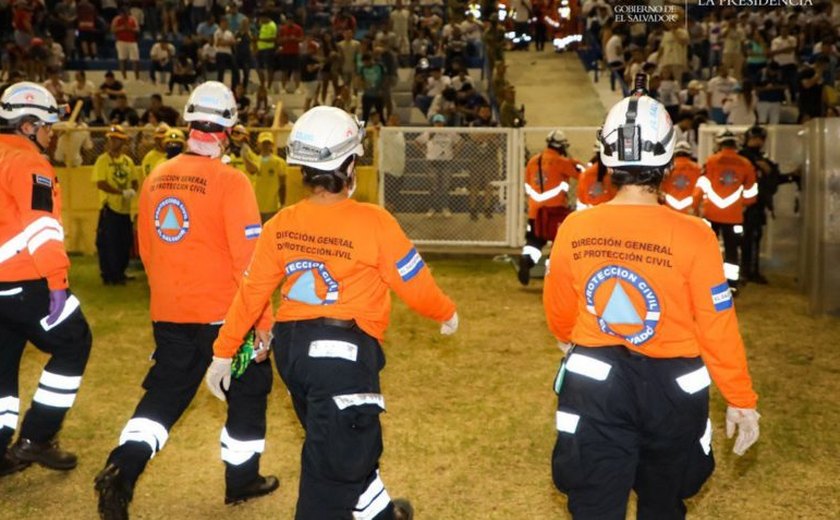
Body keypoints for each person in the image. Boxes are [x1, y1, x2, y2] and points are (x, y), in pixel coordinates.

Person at [207, 105, 458, 520]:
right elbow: (414, 285)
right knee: (334, 462)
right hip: (343, 359)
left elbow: (251, 293)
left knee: (338, 442)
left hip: (295, 355)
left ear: (302, 169)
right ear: (350, 163)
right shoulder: (374, 222)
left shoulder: (281, 224)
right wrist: (446, 313)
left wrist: (223, 351)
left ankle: (382, 515)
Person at [544, 92, 760, 520]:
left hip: (596, 384)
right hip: (674, 390)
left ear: (606, 160)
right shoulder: (696, 235)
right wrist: (740, 399)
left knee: (594, 502)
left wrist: (570, 341)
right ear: (667, 163)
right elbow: (717, 327)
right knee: (664, 501)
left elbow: (559, 309)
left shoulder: (576, 227)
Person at [94, 82, 279, 519]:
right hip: (227, 323)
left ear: (189, 124)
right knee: (249, 391)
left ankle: (123, 466)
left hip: (171, 317)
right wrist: (263, 324)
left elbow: (145, 248)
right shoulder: (233, 182)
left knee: (163, 399)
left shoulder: (155, 176)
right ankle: (242, 480)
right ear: (230, 129)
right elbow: (250, 264)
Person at [0, 81, 93, 477]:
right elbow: (41, 228)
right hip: (26, 281)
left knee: (2, 365)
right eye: (46, 126)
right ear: (27, 125)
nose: (50, 134)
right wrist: (57, 281)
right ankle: (37, 436)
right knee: (74, 343)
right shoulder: (29, 163)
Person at [696, 130, 757, 292]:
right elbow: (751, 194)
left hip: (711, 213)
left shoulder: (711, 161)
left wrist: (697, 205)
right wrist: (741, 203)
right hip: (734, 216)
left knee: (708, 249)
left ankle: (708, 282)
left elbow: (701, 185)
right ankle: (731, 285)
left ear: (720, 144)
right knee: (732, 250)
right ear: (735, 144)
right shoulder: (745, 163)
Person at [518, 130, 578, 286]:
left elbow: (527, 184)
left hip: (534, 211)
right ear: (561, 146)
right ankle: (552, 270)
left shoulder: (532, 161)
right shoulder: (560, 162)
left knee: (534, 241)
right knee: (560, 242)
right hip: (555, 211)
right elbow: (581, 174)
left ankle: (527, 260)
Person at [92, 125, 138, 286]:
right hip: (109, 208)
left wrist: (132, 190)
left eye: (116, 139)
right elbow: (101, 183)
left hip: (124, 209)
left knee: (124, 242)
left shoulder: (128, 161)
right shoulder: (102, 160)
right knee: (108, 243)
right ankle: (109, 275)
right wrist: (120, 192)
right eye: (111, 139)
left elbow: (134, 180)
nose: (112, 142)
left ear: (122, 141)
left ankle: (120, 271)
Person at [738, 126, 778, 285]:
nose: (758, 141)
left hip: (757, 204)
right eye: (755, 138)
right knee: (744, 239)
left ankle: (751, 271)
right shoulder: (743, 157)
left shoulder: (761, 158)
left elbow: (772, 178)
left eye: (761, 138)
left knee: (754, 238)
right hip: (742, 206)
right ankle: (745, 271)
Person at [416, 114, 460, 218]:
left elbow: (460, 141)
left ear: (444, 123)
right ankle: (432, 208)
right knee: (434, 186)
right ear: (434, 123)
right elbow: (417, 142)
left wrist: (454, 153)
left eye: (440, 122)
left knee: (445, 186)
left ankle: (445, 208)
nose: (438, 125)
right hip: (432, 162)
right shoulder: (429, 133)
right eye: (436, 123)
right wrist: (424, 152)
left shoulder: (449, 132)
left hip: (446, 162)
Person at [253, 131, 287, 222]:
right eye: (263, 143)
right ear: (258, 144)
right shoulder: (253, 161)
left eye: (268, 143)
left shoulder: (279, 162)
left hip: (272, 206)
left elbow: (282, 185)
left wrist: (282, 204)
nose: (265, 146)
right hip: (255, 206)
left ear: (272, 145)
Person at [662, 141, 701, 214]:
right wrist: (694, 206)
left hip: (669, 209)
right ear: (689, 154)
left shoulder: (666, 168)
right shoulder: (698, 169)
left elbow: (661, 189)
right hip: (689, 210)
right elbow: (699, 191)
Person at [575, 143, 616, 210]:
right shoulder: (619, 174)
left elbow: (582, 200)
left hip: (590, 216)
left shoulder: (587, 174)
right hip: (612, 215)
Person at [111, 6, 141, 81]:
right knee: (122, 59)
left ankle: (137, 78)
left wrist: (130, 29)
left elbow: (137, 29)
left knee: (135, 60)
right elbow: (112, 29)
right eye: (123, 13)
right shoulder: (117, 19)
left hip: (132, 41)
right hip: (121, 42)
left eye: (126, 13)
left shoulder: (133, 19)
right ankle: (124, 78)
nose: (125, 15)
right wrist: (122, 28)